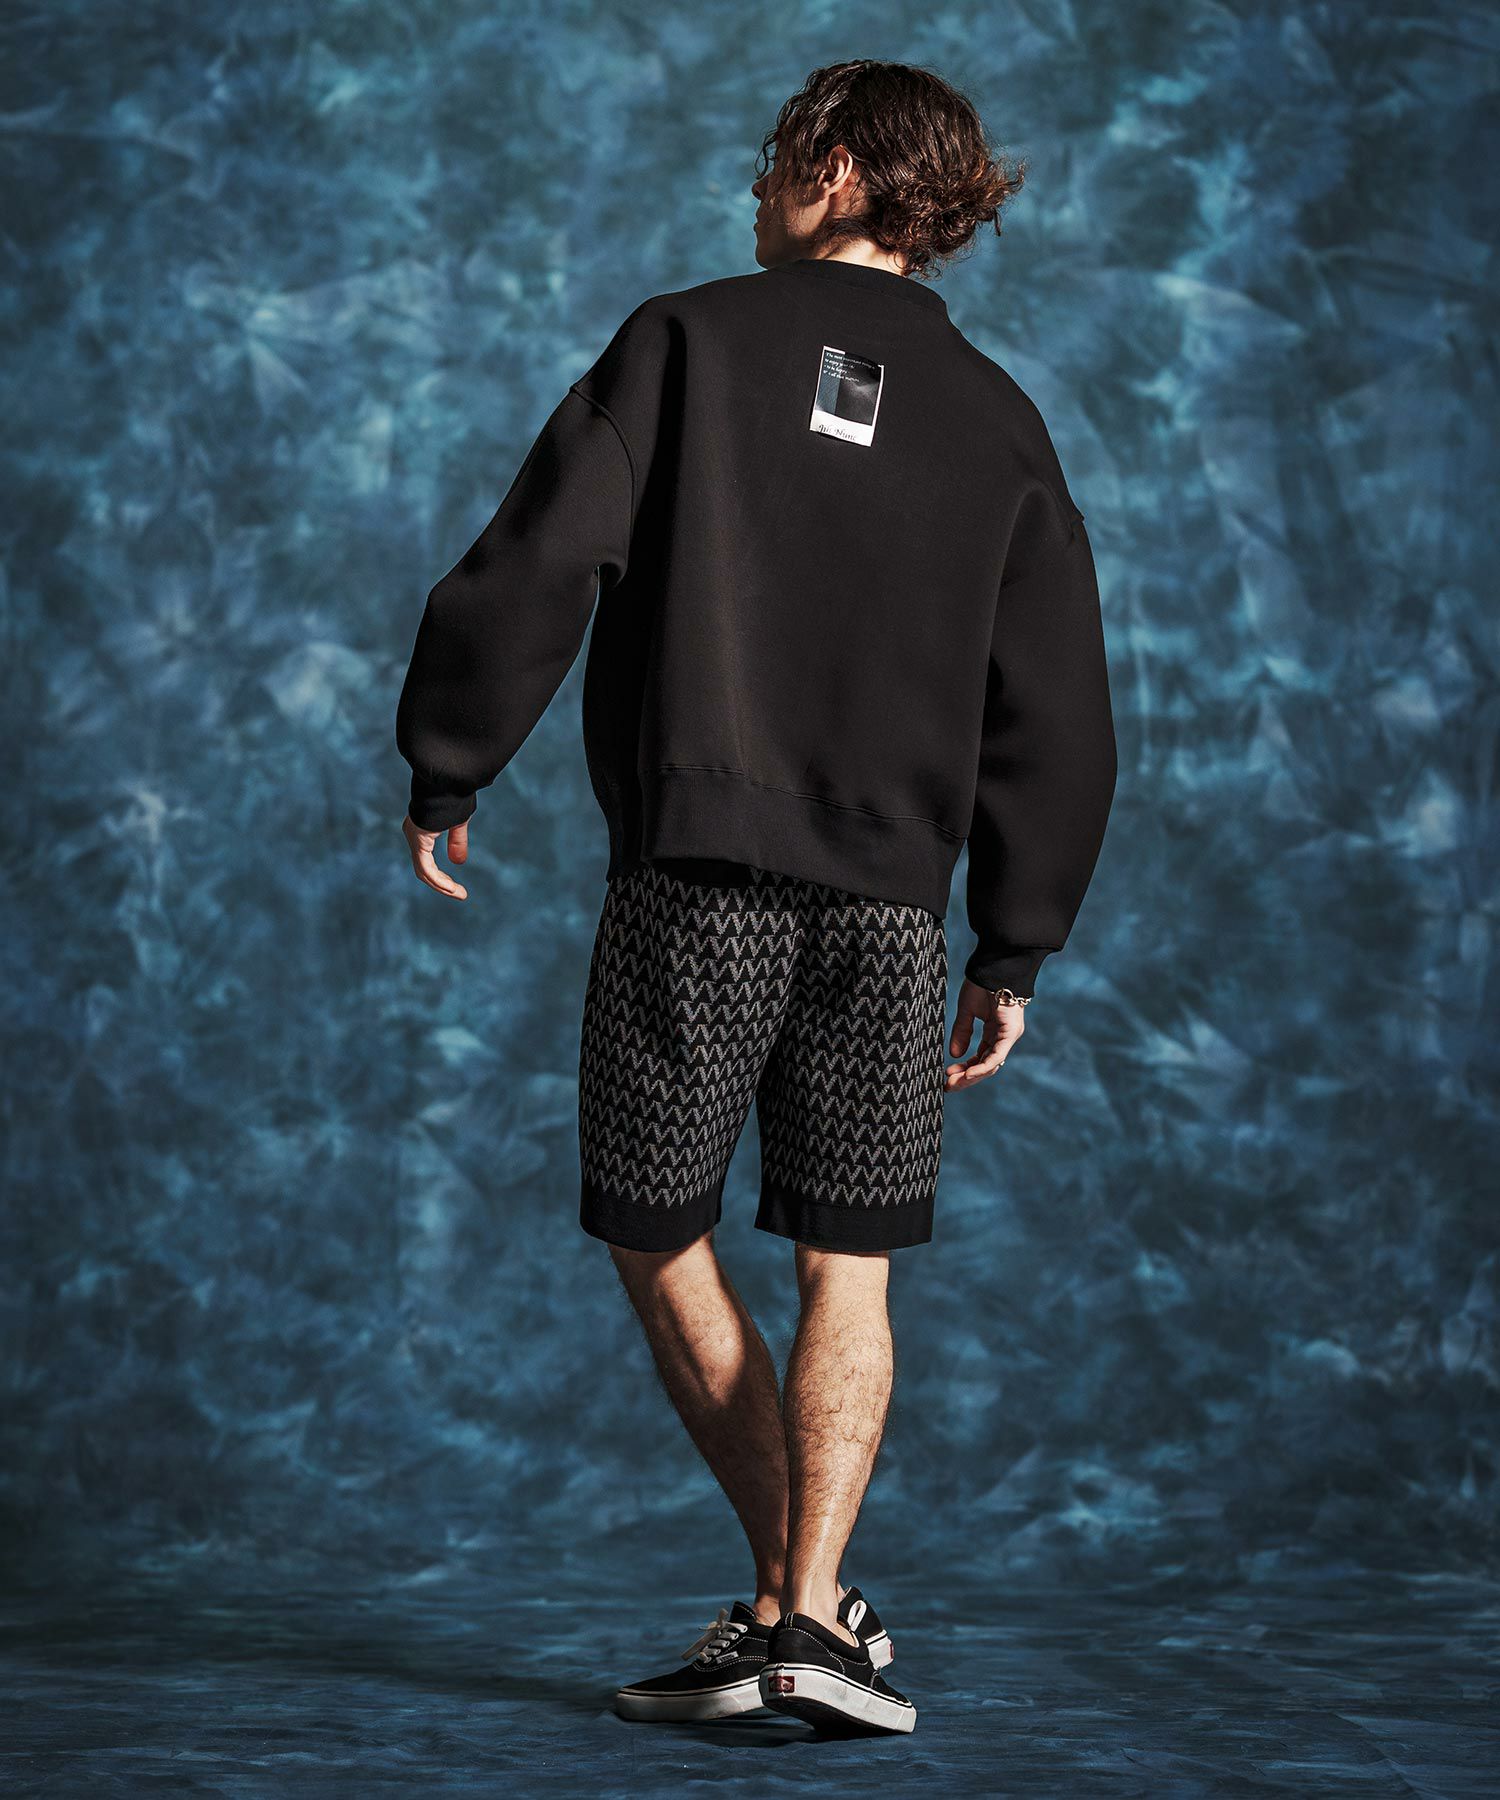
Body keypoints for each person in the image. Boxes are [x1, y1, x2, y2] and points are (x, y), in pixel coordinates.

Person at [395, 59, 1117, 1736]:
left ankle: (801, 1610)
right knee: (849, 1274)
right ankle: (813, 1623)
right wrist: (1015, 939)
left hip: (696, 885)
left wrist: (449, 760)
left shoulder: (687, 343)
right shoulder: (1002, 420)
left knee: (655, 1236)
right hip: (894, 914)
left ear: (842, 171)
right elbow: (1059, 706)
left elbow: (537, 559)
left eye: (777, 159)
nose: (752, 187)